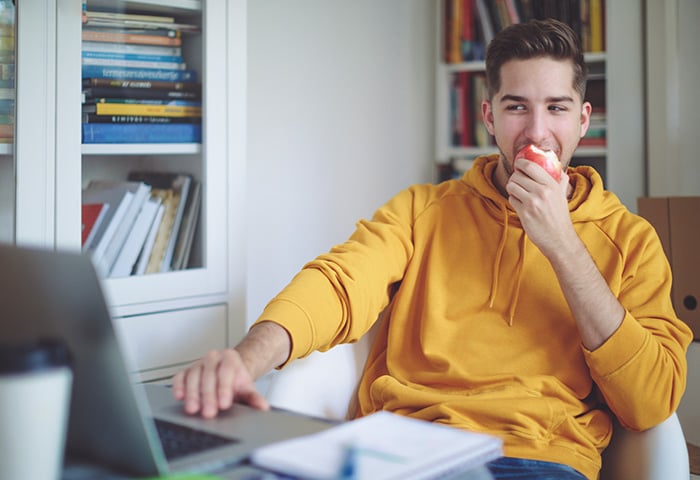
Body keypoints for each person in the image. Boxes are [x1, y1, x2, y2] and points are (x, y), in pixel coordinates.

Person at [172, 18, 692, 480]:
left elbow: (650, 403)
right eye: (517, 107)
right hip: (398, 448)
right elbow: (337, 283)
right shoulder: (424, 210)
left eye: (556, 108)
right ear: (489, 116)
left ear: (582, 120)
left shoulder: (630, 239)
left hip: (534, 458)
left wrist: (563, 245)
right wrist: (246, 360)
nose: (537, 133)